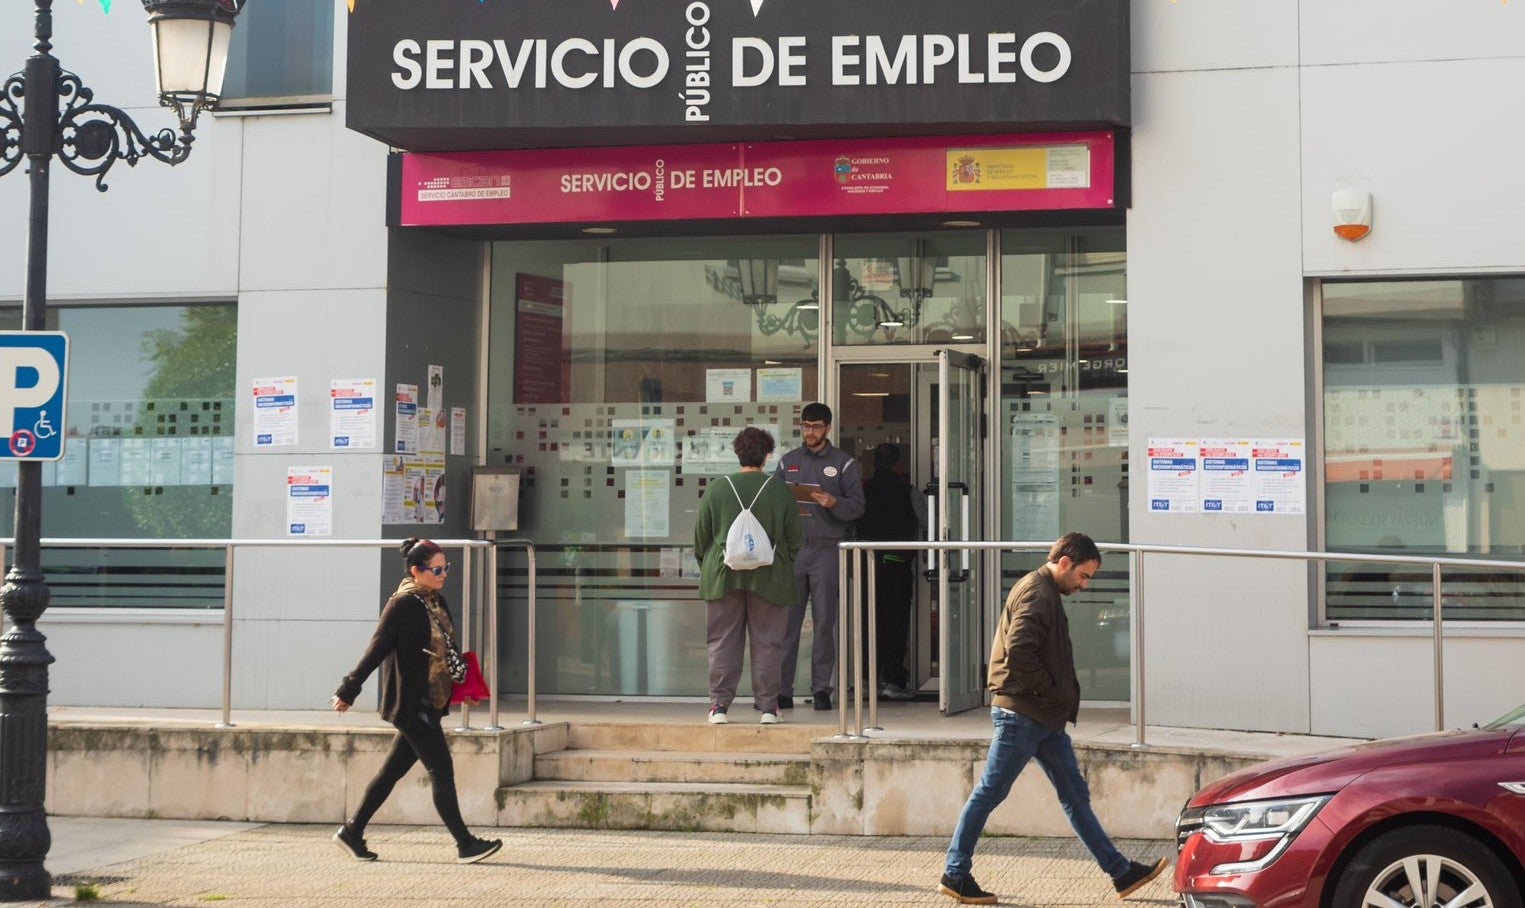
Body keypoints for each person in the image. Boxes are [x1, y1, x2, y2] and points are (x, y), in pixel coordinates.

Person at [939, 532, 1166, 905]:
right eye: (1083, 575)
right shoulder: (1037, 594)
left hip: (1042, 718)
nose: (1084, 584)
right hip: (1023, 715)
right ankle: (955, 873)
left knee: (1075, 795)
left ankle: (1122, 873)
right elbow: (1019, 652)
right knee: (989, 793)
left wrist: (1053, 700)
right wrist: (1053, 693)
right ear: (1064, 563)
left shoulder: (1044, 590)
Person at [330, 538, 502, 864]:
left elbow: (447, 651)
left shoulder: (435, 601)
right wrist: (348, 689)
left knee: (390, 772)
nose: (443, 574)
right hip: (411, 705)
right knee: (441, 771)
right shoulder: (402, 605)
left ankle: (352, 831)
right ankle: (465, 844)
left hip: (431, 701)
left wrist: (464, 687)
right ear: (415, 570)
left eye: (445, 567)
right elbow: (376, 649)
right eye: (436, 569)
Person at [693, 426, 804, 725]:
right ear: (767, 456)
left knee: (721, 642)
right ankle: (768, 707)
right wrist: (779, 562)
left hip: (722, 576)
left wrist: (711, 564)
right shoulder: (780, 490)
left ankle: (719, 707)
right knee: (768, 642)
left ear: (737, 453)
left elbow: (701, 538)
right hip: (770, 577)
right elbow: (795, 538)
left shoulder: (717, 488)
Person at [774, 402, 865, 711]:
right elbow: (772, 500)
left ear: (827, 428)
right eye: (806, 426)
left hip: (827, 549)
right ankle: (782, 690)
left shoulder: (843, 463)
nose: (810, 432)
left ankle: (821, 689)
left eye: (815, 427)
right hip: (795, 550)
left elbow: (858, 506)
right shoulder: (789, 461)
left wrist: (834, 502)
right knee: (788, 623)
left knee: (825, 622)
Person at [858, 443, 920, 701]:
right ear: (898, 464)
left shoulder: (862, 491)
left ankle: (866, 678)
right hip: (897, 564)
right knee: (895, 623)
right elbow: (927, 522)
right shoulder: (908, 491)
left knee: (868, 621)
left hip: (866, 564)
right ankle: (893, 680)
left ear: (874, 464)